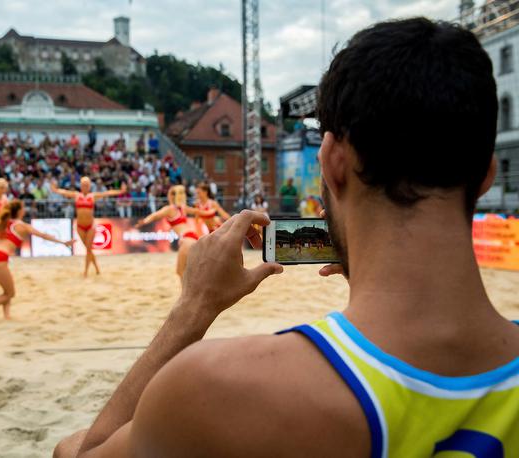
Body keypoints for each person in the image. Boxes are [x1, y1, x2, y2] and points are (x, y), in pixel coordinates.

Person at [54, 18, 519, 457]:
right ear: (485, 176)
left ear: (333, 160)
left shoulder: (222, 388)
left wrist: (192, 310)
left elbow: (80, 453)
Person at [0, 200, 71, 321]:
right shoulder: (22, 226)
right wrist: (63, 242)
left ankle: (6, 315)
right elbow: (43, 235)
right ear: (20, 211)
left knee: (6, 290)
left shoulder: (4, 222)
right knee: (10, 293)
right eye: (23, 208)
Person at [50, 176, 125, 277]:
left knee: (88, 249)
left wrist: (121, 191)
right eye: (83, 184)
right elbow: (63, 192)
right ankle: (97, 268)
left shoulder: (93, 196)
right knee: (88, 249)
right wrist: (54, 189)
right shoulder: (76, 195)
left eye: (87, 184)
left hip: (90, 226)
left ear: (89, 186)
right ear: (80, 186)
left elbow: (107, 193)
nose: (85, 186)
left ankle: (85, 272)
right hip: (80, 226)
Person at [135, 184, 199, 282]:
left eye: (169, 193)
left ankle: (186, 295)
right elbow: (198, 211)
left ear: (171, 196)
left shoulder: (170, 209)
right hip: (193, 236)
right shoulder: (183, 207)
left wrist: (144, 221)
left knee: (181, 272)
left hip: (186, 239)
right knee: (187, 270)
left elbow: (155, 216)